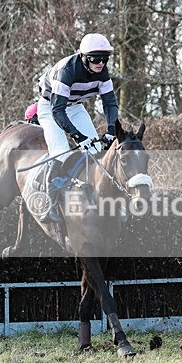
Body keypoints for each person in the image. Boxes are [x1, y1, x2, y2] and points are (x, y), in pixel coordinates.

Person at [33, 33, 119, 223]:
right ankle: (50, 203)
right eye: (96, 58)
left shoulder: (103, 73)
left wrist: (111, 129)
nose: (101, 63)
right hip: (51, 107)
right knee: (62, 152)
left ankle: (100, 199)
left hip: (75, 107)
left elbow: (110, 104)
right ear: (84, 57)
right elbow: (58, 111)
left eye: (105, 58)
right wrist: (78, 137)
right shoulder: (67, 71)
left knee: (96, 151)